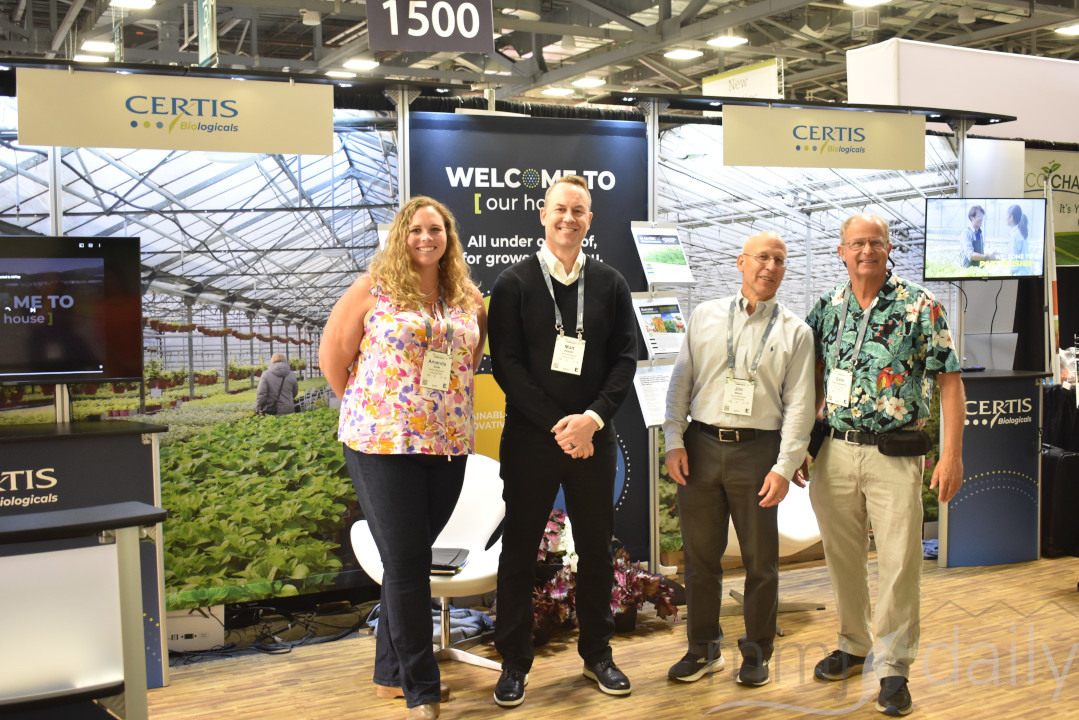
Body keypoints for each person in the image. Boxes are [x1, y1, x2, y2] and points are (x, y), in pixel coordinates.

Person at [319, 196, 486, 720]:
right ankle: (422, 690)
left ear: (448, 237)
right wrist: (375, 410)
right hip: (382, 444)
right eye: (415, 229)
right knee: (409, 565)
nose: (425, 238)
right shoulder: (373, 289)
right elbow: (333, 356)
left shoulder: (467, 298)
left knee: (406, 562)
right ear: (400, 236)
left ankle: (390, 675)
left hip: (447, 444)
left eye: (435, 229)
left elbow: (471, 356)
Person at [804, 213, 964, 717]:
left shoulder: (920, 305)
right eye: (857, 243)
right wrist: (805, 442)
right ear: (841, 251)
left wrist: (953, 455)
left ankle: (894, 669)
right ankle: (854, 644)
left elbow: (951, 383)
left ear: (889, 248)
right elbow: (810, 378)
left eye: (876, 242)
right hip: (834, 451)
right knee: (842, 557)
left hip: (894, 454)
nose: (866, 251)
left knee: (899, 563)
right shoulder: (827, 307)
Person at [487, 175, 638, 708]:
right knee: (518, 553)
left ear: (589, 220)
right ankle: (514, 663)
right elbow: (506, 365)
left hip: (593, 442)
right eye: (560, 209)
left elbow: (624, 360)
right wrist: (561, 425)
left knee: (596, 551)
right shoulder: (513, 283)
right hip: (531, 442)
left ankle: (598, 655)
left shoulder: (611, 283)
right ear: (543, 214)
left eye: (578, 210)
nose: (568, 218)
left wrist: (590, 421)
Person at [662, 231, 815, 687]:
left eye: (780, 260)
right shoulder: (705, 317)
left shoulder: (796, 332)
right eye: (763, 257)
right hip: (701, 447)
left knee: (760, 563)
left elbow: (800, 405)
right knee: (700, 560)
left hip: (758, 451)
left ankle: (757, 652)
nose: (771, 267)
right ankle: (703, 649)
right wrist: (673, 439)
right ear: (740, 262)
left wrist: (784, 466)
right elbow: (680, 382)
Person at [1005, 204, 1029, 275]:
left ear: (1011, 217)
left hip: (1018, 274)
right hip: (1024, 272)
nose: (1005, 218)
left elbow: (1013, 259)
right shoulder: (1019, 232)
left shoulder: (1015, 235)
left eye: (1006, 215)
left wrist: (1009, 274)